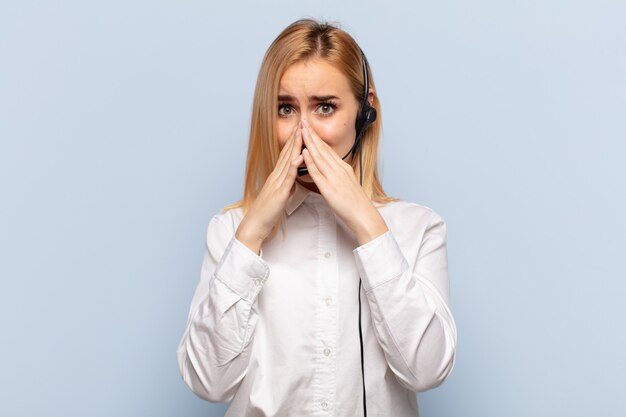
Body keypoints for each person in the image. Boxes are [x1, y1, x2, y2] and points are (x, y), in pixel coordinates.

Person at [177, 18, 457, 417]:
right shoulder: (230, 232)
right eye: (285, 109)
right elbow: (207, 382)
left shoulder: (419, 228)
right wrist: (252, 232)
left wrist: (368, 226)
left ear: (365, 113)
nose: (303, 133)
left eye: (325, 107)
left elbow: (427, 371)